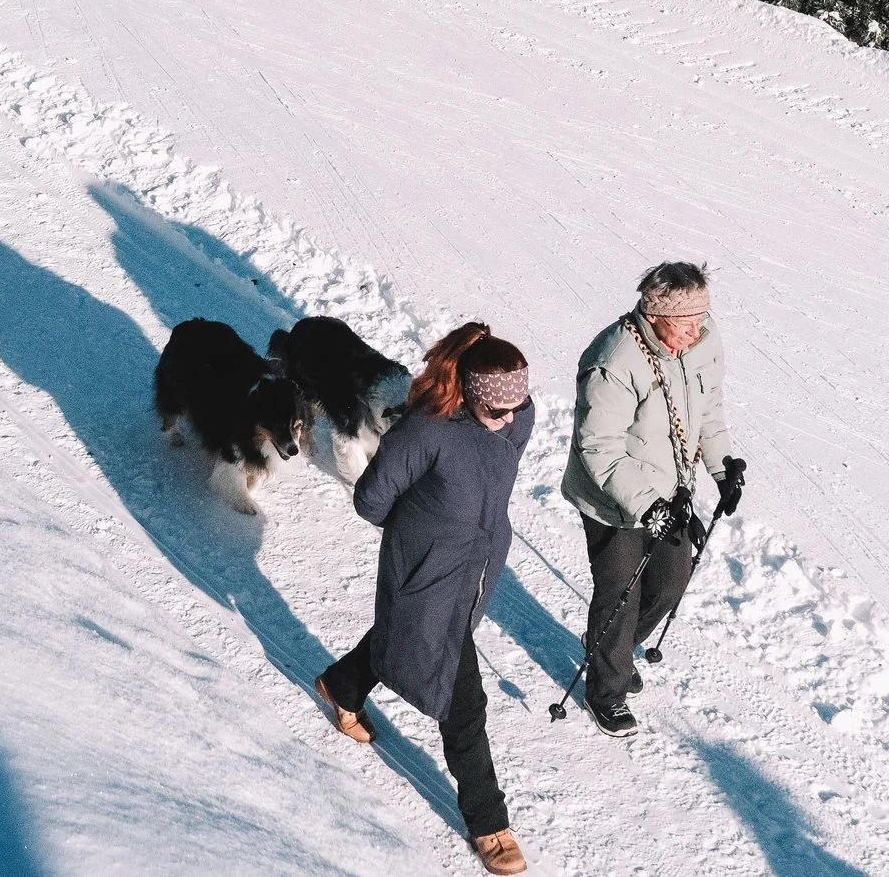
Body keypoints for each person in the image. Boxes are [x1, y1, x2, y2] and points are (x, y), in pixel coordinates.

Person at [314, 323, 535, 875]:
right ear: (469, 395)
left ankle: (342, 684)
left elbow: (497, 451)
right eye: (498, 412)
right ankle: (489, 822)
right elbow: (371, 500)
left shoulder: (514, 418)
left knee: (413, 636)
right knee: (463, 701)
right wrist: (423, 527)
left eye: (518, 407)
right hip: (426, 569)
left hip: (477, 570)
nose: (511, 421)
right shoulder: (424, 432)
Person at [562, 261, 746, 736]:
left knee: (670, 581)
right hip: (613, 498)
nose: (695, 332)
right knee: (620, 592)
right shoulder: (615, 359)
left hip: (672, 486)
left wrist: (723, 468)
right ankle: (607, 688)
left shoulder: (702, 341)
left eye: (701, 320)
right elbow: (599, 448)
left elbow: (710, 409)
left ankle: (609, 648)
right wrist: (648, 507)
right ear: (654, 313)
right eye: (685, 324)